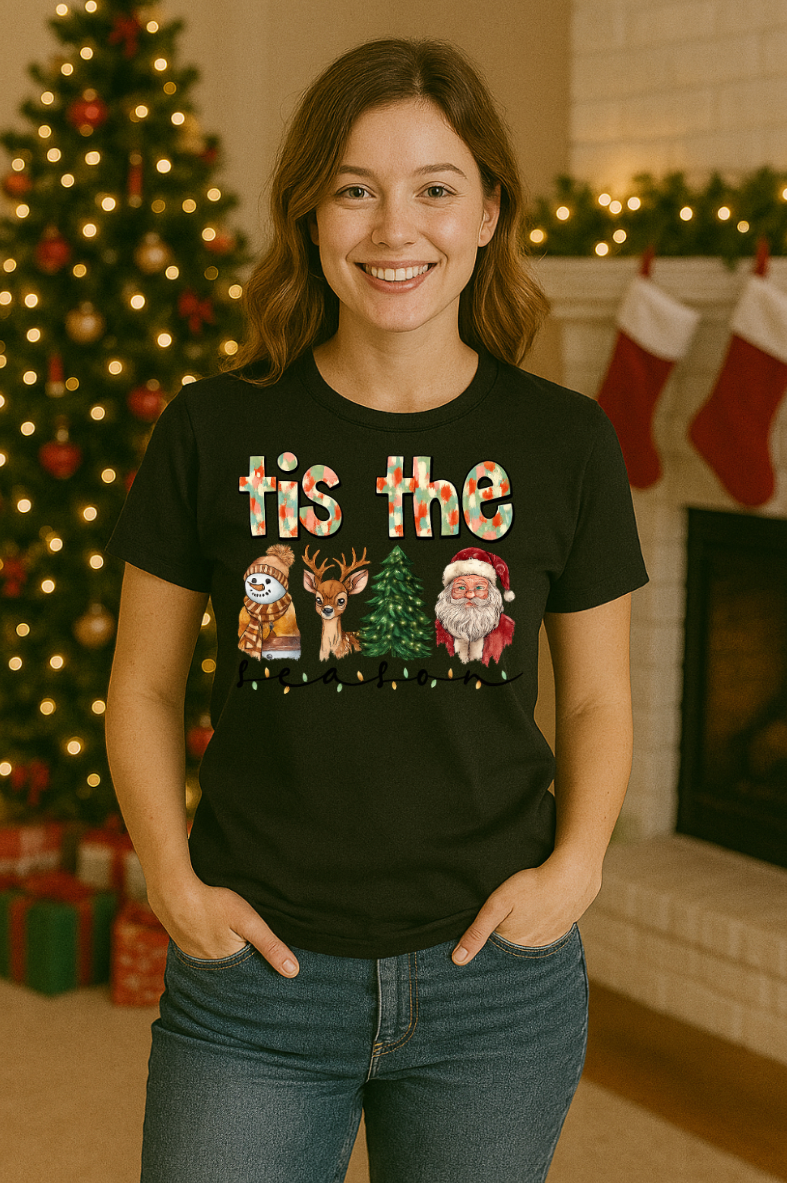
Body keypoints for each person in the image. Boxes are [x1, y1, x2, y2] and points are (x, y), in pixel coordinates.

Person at [104, 37, 648, 1183]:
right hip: (255, 981)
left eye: (434, 190)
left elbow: (599, 697)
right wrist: (171, 880)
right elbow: (142, 683)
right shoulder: (213, 428)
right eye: (355, 190)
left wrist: (577, 868)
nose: (395, 230)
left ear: (488, 212)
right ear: (309, 213)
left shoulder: (564, 441)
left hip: (493, 985)